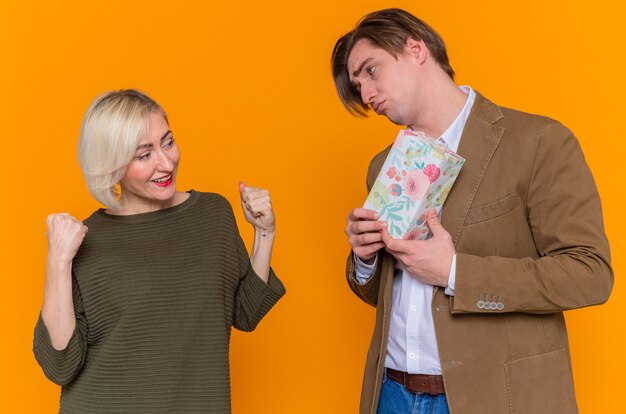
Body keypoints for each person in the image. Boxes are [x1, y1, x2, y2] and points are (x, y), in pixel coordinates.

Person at [331, 8, 612, 414]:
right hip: (390, 393)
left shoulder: (538, 142)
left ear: (416, 48)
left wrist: (455, 272)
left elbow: (590, 274)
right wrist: (365, 259)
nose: (366, 94)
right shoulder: (384, 165)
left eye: (371, 71)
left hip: (493, 397)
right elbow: (390, 296)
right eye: (357, 86)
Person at [33, 89, 286, 413]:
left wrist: (265, 232)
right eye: (144, 154)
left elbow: (246, 313)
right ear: (112, 165)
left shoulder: (212, 213)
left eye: (167, 142)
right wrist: (58, 260)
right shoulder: (82, 240)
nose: (166, 163)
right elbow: (60, 365)